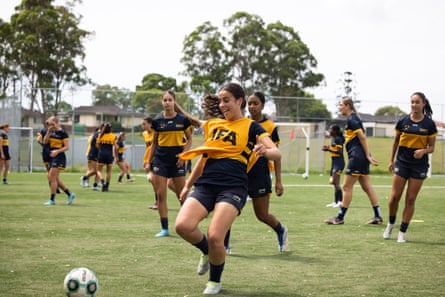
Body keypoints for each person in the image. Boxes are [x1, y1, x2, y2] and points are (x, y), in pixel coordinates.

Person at [175, 83, 281, 294]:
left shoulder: (252, 127)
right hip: (206, 184)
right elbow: (204, 158)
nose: (222, 105)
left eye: (227, 100)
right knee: (182, 226)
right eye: (220, 100)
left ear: (239, 101)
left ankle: (214, 281)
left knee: (216, 236)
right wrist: (187, 185)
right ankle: (207, 251)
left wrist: (264, 151)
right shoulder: (214, 125)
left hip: (233, 186)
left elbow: (276, 152)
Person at [224, 91, 287, 254]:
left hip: (259, 173)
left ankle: (280, 230)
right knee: (229, 209)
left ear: (263, 105)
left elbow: (277, 155)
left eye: (255, 103)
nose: (252, 107)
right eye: (249, 103)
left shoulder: (270, 127)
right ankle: (224, 245)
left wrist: (278, 181)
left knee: (262, 215)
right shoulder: (241, 123)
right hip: (240, 172)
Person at [383, 92, 437, 243]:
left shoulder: (429, 124)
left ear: (423, 104)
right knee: (394, 198)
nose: (414, 105)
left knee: (411, 199)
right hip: (402, 163)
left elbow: (432, 147)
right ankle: (390, 224)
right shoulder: (403, 121)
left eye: (417, 102)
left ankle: (402, 232)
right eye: (412, 102)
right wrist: (391, 160)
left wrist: (423, 151)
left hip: (419, 166)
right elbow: (395, 142)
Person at [149, 90, 200, 237]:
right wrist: (148, 161)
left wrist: (183, 156)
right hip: (160, 160)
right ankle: (164, 229)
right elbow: (154, 143)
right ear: (162, 102)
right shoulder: (157, 122)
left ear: (174, 102)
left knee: (181, 195)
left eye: (169, 100)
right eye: (164, 100)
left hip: (177, 161)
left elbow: (189, 139)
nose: (167, 103)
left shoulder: (182, 120)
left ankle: (189, 224)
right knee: (161, 195)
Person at [324, 97, 383, 225]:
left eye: (341, 105)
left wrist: (367, 155)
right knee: (367, 187)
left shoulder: (352, 119)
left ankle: (340, 218)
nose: (339, 107)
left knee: (346, 186)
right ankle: (378, 216)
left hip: (357, 157)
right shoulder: (352, 119)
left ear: (348, 106)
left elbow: (362, 137)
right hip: (360, 156)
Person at [42, 116, 76, 206]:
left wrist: (57, 151)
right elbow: (44, 142)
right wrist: (48, 131)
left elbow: (67, 147)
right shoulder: (50, 132)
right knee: (53, 178)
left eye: (51, 123)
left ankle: (52, 200)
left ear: (56, 123)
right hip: (51, 156)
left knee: (52, 177)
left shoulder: (63, 133)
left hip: (59, 156)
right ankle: (70, 194)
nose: (50, 125)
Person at [322, 124, 345, 208]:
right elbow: (334, 149)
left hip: (339, 162)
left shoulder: (338, 139)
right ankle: (335, 202)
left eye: (330, 129)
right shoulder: (333, 138)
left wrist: (328, 149)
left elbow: (339, 152)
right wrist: (328, 148)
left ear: (335, 131)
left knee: (336, 183)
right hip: (334, 162)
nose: (329, 130)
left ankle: (341, 202)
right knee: (334, 183)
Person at [141, 117, 158, 209]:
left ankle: (158, 202)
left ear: (150, 124)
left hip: (157, 159)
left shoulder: (156, 132)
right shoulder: (144, 134)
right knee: (152, 181)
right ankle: (158, 201)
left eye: (144, 124)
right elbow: (147, 148)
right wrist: (145, 160)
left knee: (154, 180)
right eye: (142, 124)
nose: (143, 126)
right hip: (149, 160)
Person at [96, 122, 116, 192]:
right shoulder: (113, 136)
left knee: (98, 170)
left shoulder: (100, 135)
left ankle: (102, 180)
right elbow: (115, 146)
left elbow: (97, 146)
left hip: (101, 154)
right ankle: (106, 186)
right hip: (109, 154)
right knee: (108, 171)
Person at [81, 125, 102, 190]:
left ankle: (95, 185)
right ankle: (84, 178)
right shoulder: (95, 135)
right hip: (92, 154)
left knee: (98, 170)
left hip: (97, 154)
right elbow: (95, 145)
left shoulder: (100, 135)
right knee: (94, 170)